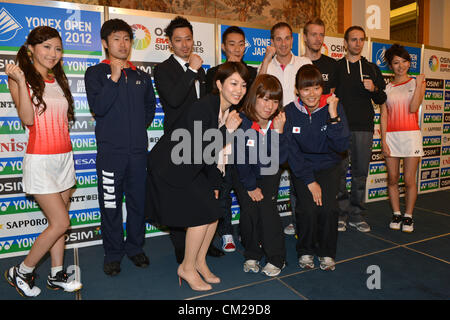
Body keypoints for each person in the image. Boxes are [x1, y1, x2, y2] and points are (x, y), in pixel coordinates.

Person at [146, 62, 249, 291]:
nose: (239, 90)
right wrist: (228, 131)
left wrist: (213, 182)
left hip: (193, 166)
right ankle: (187, 267)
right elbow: (200, 148)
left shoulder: (225, 110)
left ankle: (200, 262)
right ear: (219, 84)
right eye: (233, 83)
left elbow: (212, 155)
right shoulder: (204, 107)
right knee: (201, 216)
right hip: (171, 167)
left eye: (243, 85)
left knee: (213, 213)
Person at [4, 26, 82, 297]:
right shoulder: (18, 78)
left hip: (64, 158)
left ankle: (56, 274)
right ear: (32, 49)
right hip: (41, 160)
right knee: (60, 223)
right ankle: (22, 271)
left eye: (57, 48)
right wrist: (22, 80)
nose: (53, 53)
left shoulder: (58, 80)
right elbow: (27, 118)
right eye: (46, 47)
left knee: (62, 221)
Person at [84, 19, 156, 276]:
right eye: (116, 39)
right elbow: (99, 108)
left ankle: (135, 248)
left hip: (137, 154)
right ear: (105, 43)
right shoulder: (95, 73)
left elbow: (150, 109)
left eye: (126, 38)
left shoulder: (141, 76)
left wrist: (136, 129)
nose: (123, 44)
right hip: (110, 155)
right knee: (111, 206)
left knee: (138, 204)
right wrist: (114, 77)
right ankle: (113, 253)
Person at [152, 16, 223, 263]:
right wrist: (191, 70)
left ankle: (203, 245)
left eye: (188, 39)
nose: (185, 45)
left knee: (203, 194)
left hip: (202, 142)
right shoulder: (162, 69)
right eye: (178, 40)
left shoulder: (202, 70)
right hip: (178, 143)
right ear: (170, 43)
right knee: (180, 198)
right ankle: (182, 249)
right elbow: (173, 99)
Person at [284, 64, 350, 271]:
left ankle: (326, 252)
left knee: (329, 209)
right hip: (302, 167)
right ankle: (305, 250)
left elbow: (341, 146)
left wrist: (332, 116)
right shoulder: (289, 111)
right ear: (297, 90)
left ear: (322, 88)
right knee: (307, 210)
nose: (311, 94)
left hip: (329, 165)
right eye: (306, 88)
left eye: (316, 88)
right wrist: (310, 181)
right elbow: (291, 152)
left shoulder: (334, 107)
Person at [205, 25, 257, 253]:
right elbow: (210, 107)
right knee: (223, 189)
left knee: (247, 188)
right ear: (224, 47)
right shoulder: (214, 73)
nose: (237, 48)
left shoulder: (253, 72)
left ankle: (249, 232)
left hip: (246, 138)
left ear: (246, 46)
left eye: (241, 43)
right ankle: (226, 231)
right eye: (232, 43)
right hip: (223, 137)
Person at [330, 26, 387, 233]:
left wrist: (374, 89)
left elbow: (382, 99)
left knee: (360, 173)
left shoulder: (372, 68)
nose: (357, 43)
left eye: (361, 39)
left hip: (364, 128)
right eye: (353, 39)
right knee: (339, 173)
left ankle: (357, 214)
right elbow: (329, 96)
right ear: (345, 43)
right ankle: (341, 214)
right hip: (341, 129)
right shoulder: (336, 67)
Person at [259, 22, 312, 236]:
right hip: (272, 129)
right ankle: (266, 228)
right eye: (278, 39)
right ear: (272, 42)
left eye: (287, 38)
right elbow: (257, 87)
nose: (283, 43)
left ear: (293, 40)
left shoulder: (304, 61)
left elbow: (311, 92)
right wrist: (266, 59)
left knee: (299, 180)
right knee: (270, 180)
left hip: (298, 130)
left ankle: (299, 223)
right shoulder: (267, 64)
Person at [232, 74, 287, 277]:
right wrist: (250, 186)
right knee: (249, 213)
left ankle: (277, 258)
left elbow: (280, 159)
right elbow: (240, 158)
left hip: (269, 174)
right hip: (244, 175)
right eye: (265, 99)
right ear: (254, 97)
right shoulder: (241, 121)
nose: (269, 106)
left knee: (267, 212)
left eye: (274, 100)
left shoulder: (279, 122)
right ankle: (252, 254)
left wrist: (278, 134)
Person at [381, 44, 426, 233]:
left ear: (409, 62)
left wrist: (418, 86)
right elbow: (384, 115)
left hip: (411, 137)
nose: (401, 66)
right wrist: (383, 140)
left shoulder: (417, 82)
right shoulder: (387, 88)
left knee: (409, 180)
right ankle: (396, 213)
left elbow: (414, 108)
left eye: (404, 61)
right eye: (396, 62)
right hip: (391, 136)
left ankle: (408, 216)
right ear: (391, 66)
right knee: (392, 178)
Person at [303, 18, 337, 95]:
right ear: (305, 37)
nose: (318, 39)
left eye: (321, 35)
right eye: (314, 34)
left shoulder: (332, 64)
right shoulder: (297, 63)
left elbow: (332, 95)